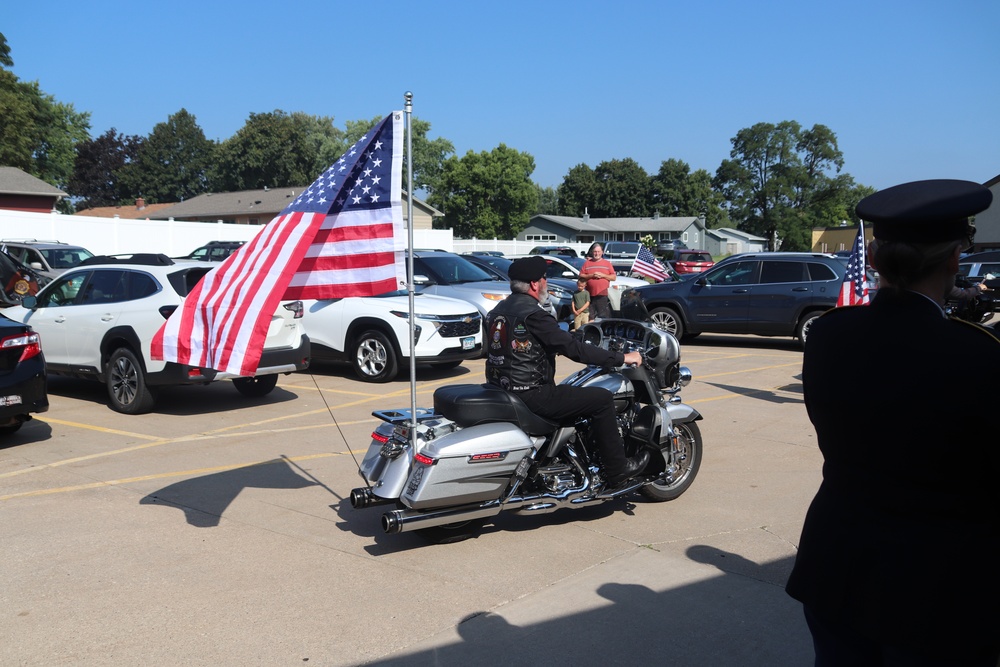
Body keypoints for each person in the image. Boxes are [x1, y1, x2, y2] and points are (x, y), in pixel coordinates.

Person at [785, 179, 1000, 666]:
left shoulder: (828, 335)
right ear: (954, 260)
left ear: (875, 259)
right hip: (937, 584)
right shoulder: (976, 353)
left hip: (837, 561)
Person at [486, 255, 649, 486]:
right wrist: (622, 357)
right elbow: (574, 351)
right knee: (602, 398)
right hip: (532, 394)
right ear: (534, 284)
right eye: (544, 278)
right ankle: (618, 469)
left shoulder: (497, 311)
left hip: (502, 388)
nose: (545, 283)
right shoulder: (535, 315)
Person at [579, 242, 616, 320]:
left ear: (602, 252)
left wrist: (603, 275)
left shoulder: (607, 263)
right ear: (592, 252)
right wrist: (592, 275)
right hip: (589, 295)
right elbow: (581, 276)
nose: (597, 253)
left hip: (603, 294)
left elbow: (613, 277)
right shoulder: (587, 263)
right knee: (590, 316)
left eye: (598, 252)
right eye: (595, 252)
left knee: (603, 316)